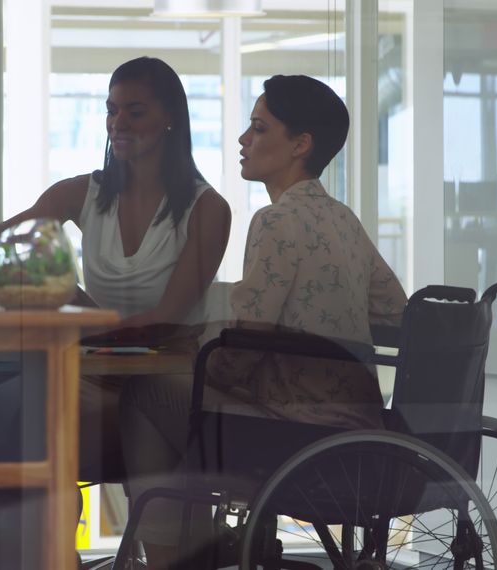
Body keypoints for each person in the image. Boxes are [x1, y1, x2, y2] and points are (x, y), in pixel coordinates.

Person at [118, 75, 407, 568]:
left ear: (300, 145)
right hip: (357, 423)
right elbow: (397, 314)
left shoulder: (273, 221)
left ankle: (174, 553)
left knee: (143, 390)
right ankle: (200, 541)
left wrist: (196, 354)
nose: (242, 140)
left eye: (258, 128)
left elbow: (241, 353)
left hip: (294, 427)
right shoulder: (342, 219)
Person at [0, 56, 232, 482]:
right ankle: (51, 547)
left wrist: (77, 310)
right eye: (111, 110)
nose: (118, 122)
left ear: (170, 119)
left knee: (42, 426)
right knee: (20, 412)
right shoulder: (81, 193)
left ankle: (54, 541)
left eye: (135, 111)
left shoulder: (208, 209)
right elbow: (2, 240)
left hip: (165, 384)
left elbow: (166, 318)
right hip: (102, 373)